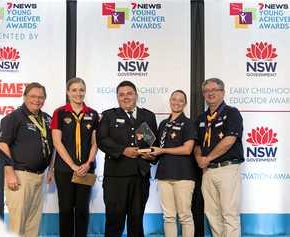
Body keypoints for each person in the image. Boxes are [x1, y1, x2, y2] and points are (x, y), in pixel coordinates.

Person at [97, 80, 157, 237]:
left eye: (129, 93)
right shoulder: (109, 115)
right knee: (114, 221)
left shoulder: (148, 116)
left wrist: (151, 155)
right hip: (116, 176)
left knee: (136, 221)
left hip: (140, 175)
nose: (126, 97)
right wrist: (123, 150)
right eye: (121, 94)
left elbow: (154, 143)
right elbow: (102, 140)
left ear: (136, 95)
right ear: (117, 97)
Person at [0, 82, 53, 237]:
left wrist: (52, 169)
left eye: (41, 97)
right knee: (18, 223)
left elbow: (53, 146)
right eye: (33, 96)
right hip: (20, 175)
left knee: (33, 224)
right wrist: (9, 173)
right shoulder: (13, 117)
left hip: (40, 176)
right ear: (24, 97)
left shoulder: (47, 119)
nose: (37, 100)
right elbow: (3, 145)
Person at [194, 78, 244, 237]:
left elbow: (229, 140)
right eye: (206, 91)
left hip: (227, 169)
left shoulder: (232, 113)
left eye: (214, 89)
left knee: (229, 213)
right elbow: (196, 143)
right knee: (212, 214)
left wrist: (207, 159)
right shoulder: (201, 118)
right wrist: (199, 158)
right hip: (207, 172)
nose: (210, 93)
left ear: (222, 92)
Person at [50, 77, 99, 237]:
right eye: (74, 90)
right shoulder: (59, 113)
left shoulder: (93, 114)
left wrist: (88, 163)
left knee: (82, 209)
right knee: (65, 209)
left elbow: (95, 143)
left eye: (81, 90)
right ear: (68, 92)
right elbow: (57, 142)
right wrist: (72, 165)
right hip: (65, 169)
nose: (78, 93)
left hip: (86, 170)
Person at [150, 90, 197, 237]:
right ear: (170, 101)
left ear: (185, 104)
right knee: (168, 216)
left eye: (180, 100)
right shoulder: (163, 123)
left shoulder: (188, 123)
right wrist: (149, 151)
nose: (176, 102)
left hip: (183, 175)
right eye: (174, 99)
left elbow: (187, 149)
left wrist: (162, 151)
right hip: (164, 174)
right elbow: (157, 148)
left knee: (184, 216)